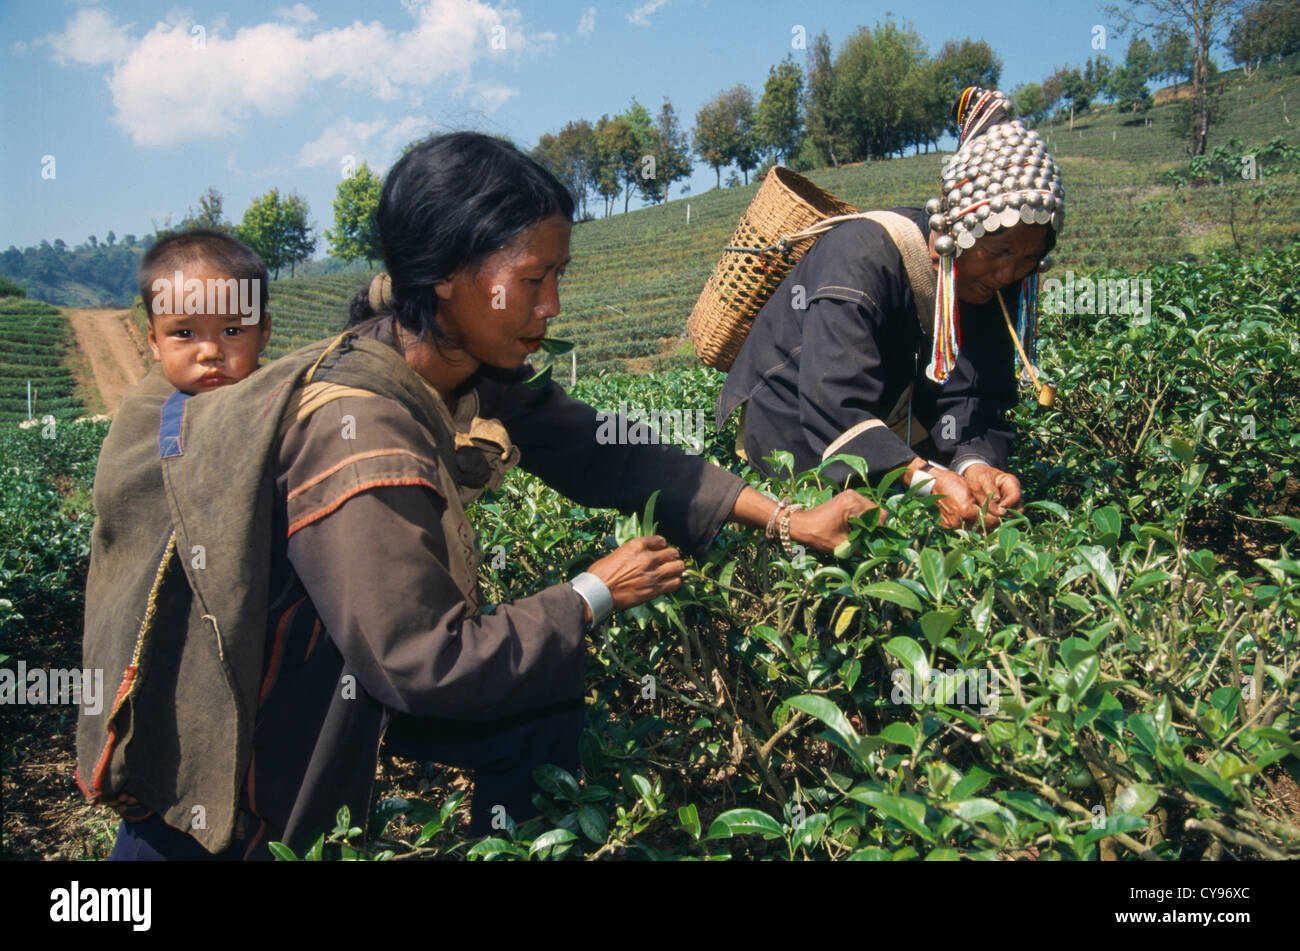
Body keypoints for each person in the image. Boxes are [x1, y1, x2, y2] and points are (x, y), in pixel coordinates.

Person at [77, 132, 876, 860]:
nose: (552, 305)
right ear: (446, 279)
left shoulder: (455, 364)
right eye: (532, 279)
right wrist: (592, 593)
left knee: (534, 706)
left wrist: (784, 515)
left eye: (557, 276)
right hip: (241, 765)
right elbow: (421, 659)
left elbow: (607, 450)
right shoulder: (362, 431)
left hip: (331, 687)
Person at [716, 87, 1064, 529]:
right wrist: (923, 480)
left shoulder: (997, 280)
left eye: (1028, 259)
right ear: (957, 231)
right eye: (999, 252)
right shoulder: (860, 258)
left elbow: (975, 393)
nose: (1007, 274)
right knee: (829, 531)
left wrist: (975, 466)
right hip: (794, 422)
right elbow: (834, 405)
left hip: (887, 418)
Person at [139, 229, 271, 394]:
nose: (210, 353)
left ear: (263, 332)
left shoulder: (284, 401)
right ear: (154, 341)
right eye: (184, 333)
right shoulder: (143, 412)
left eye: (231, 331)